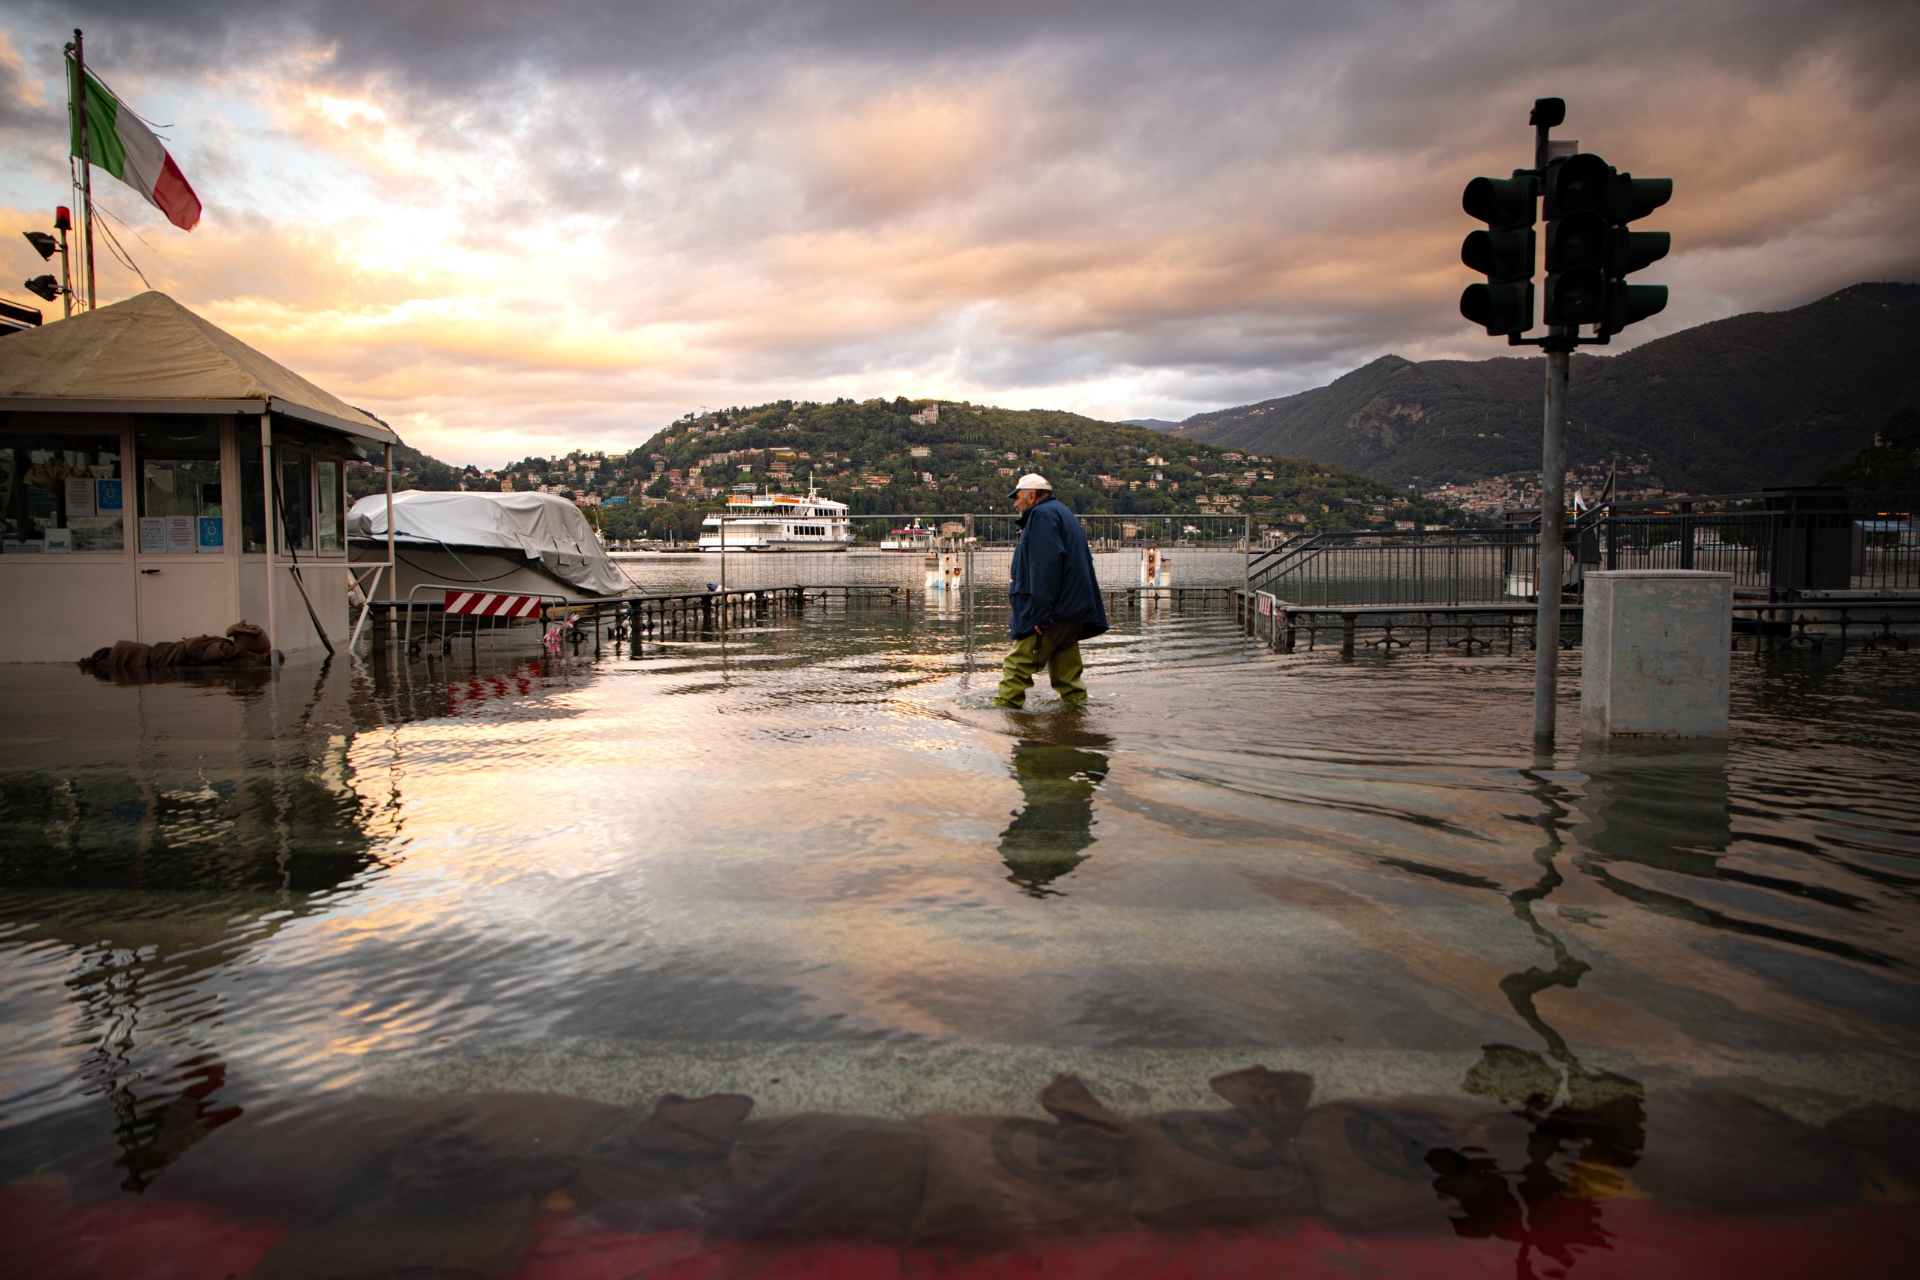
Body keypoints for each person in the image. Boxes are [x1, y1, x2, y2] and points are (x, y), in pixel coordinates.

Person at [995, 474, 1108, 709]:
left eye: (1017, 498)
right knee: (1068, 680)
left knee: (1016, 667)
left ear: (1032, 496)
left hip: (1052, 614)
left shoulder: (1040, 516)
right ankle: (1075, 725)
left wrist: (1039, 613)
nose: (1015, 504)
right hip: (1072, 612)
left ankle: (1004, 720)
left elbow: (1045, 566)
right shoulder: (1063, 514)